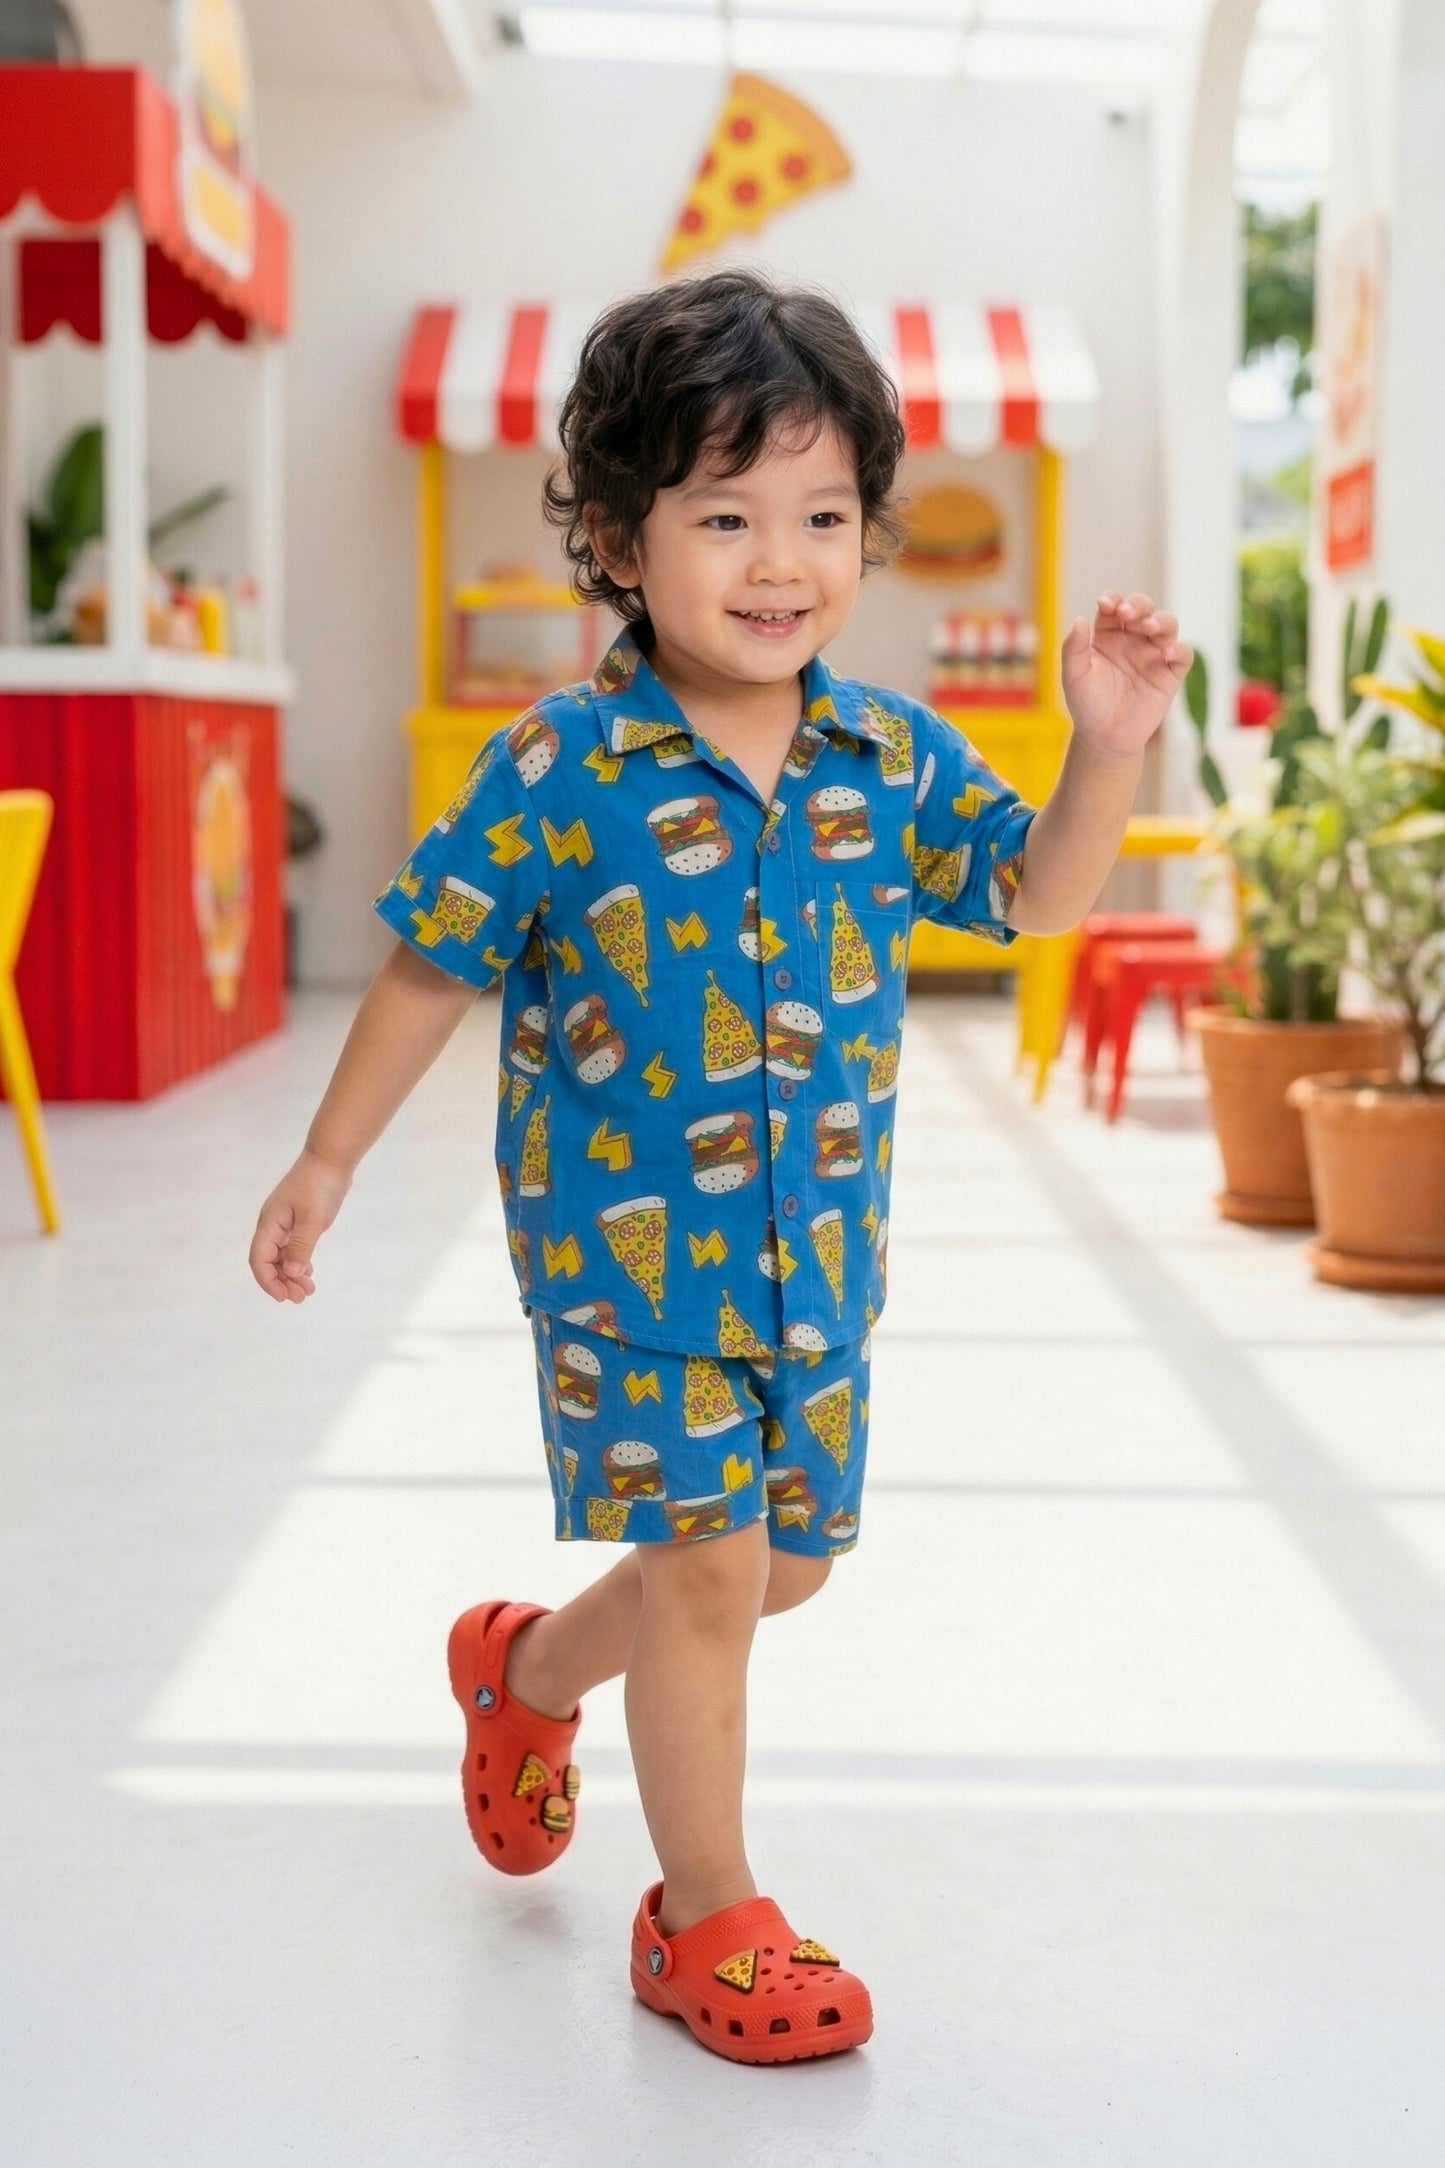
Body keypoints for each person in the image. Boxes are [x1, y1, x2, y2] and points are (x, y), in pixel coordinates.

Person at [249, 267, 1191, 2067]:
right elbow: (435, 957)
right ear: (614, 535)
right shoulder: (556, 766)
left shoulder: (887, 758)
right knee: (703, 1574)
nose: (782, 560)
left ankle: (519, 1676)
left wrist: (1105, 749)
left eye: (823, 516)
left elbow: (1035, 899)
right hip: (621, 1262)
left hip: (816, 1263)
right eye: (726, 514)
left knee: (783, 1570)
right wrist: (325, 1156)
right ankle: (704, 1919)